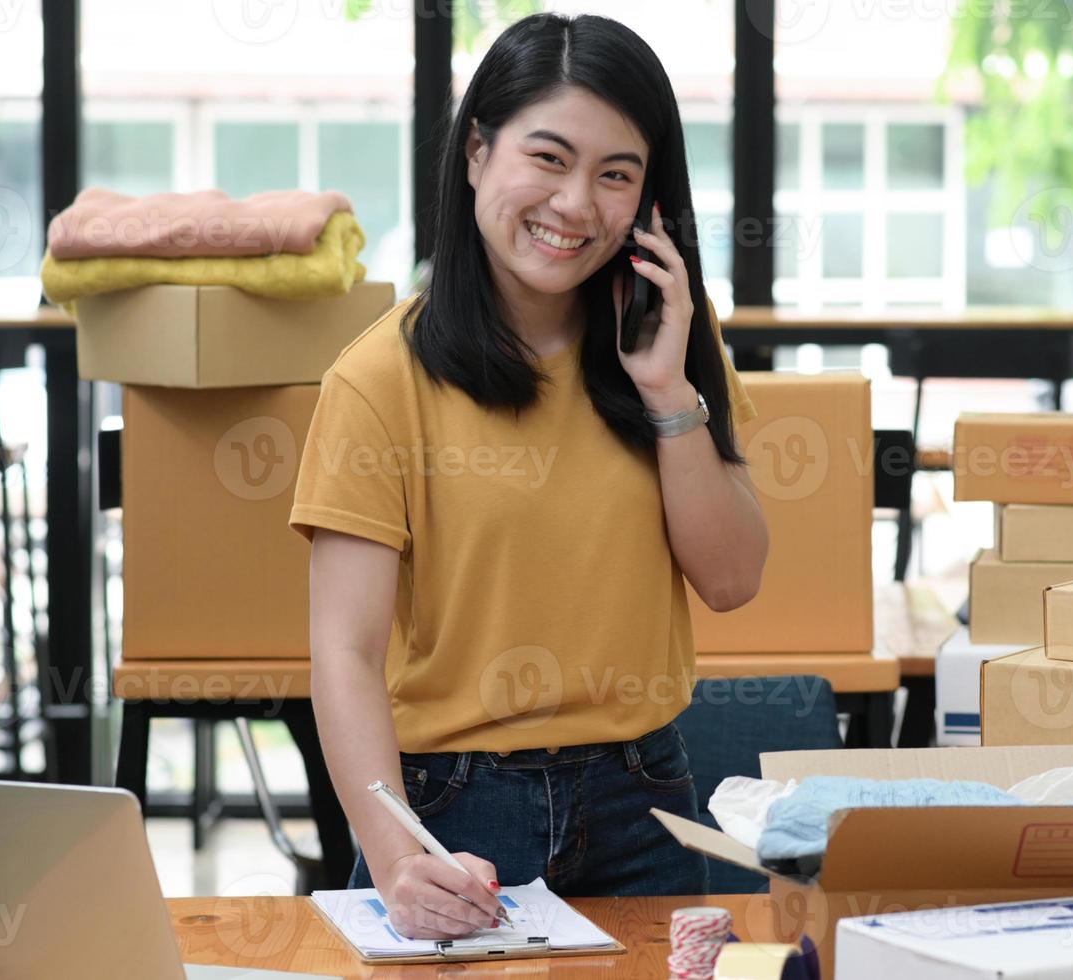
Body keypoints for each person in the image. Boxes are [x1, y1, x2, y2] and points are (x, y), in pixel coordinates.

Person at [288, 11, 768, 941]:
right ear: (476, 152)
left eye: (616, 175)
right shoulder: (377, 379)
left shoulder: (672, 347)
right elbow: (343, 654)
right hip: (454, 809)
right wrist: (396, 857)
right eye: (548, 157)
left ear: (650, 204)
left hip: (649, 793)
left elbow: (732, 577)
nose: (577, 204)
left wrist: (667, 388)